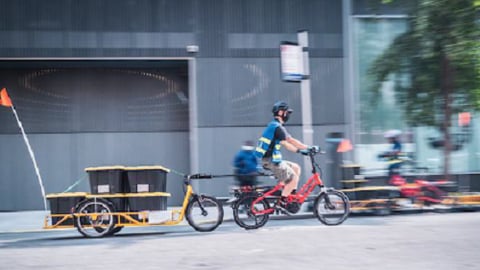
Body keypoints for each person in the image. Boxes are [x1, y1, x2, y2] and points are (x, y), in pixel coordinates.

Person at [254, 101, 311, 208]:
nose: (288, 115)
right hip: (270, 161)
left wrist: (299, 151)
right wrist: (307, 147)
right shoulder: (277, 127)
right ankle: (283, 202)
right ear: (281, 113)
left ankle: (289, 193)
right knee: (293, 178)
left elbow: (286, 144)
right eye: (287, 112)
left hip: (273, 160)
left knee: (296, 168)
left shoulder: (274, 126)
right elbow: (290, 140)